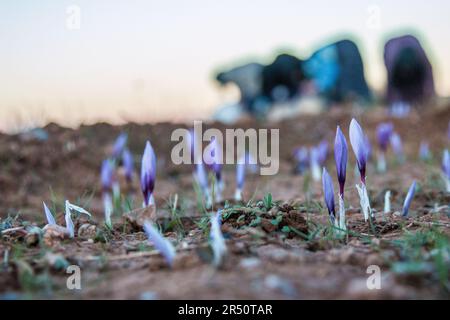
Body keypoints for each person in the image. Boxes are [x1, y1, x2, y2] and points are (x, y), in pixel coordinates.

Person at [303, 39, 371, 104]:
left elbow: (330, 70)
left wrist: (318, 84)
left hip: (346, 90)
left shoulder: (318, 57)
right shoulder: (320, 54)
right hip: (353, 90)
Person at [384, 35, 435, 107]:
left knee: (423, 103)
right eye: (404, 71)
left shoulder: (422, 62)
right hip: (398, 80)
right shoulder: (391, 58)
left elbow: (429, 82)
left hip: (419, 84)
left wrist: (429, 98)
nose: (406, 72)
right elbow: (391, 88)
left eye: (408, 71)